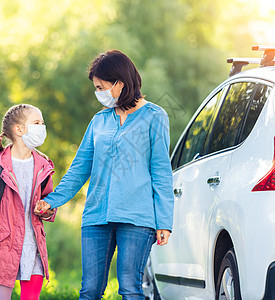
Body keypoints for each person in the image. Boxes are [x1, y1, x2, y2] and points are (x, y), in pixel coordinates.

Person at [35, 50, 174, 299]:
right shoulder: (99, 120)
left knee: (130, 289)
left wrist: (164, 221)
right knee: (90, 291)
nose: (98, 92)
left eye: (101, 86)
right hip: (96, 216)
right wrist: (52, 200)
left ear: (119, 83)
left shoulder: (155, 116)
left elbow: (161, 171)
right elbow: (80, 168)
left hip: (137, 217)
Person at [0, 104, 57, 300]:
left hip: (33, 246)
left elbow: (50, 201)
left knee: (31, 297)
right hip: (2, 247)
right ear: (19, 129)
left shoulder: (44, 165)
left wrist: (47, 208)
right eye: (36, 123)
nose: (42, 127)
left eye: (42, 122)